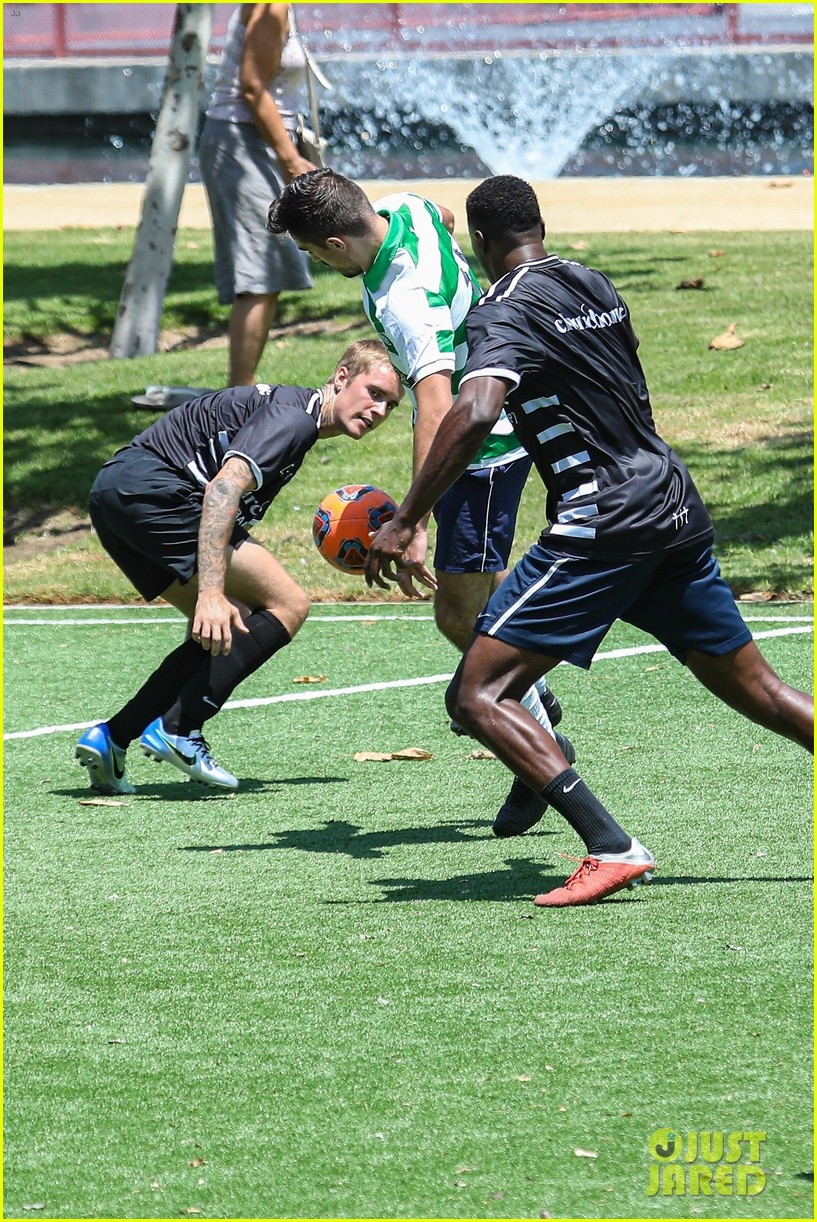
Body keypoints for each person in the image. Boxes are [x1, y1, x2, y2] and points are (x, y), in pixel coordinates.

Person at [364, 174, 814, 908]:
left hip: (602, 520)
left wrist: (409, 513)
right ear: (536, 225)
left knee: (476, 695)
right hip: (671, 502)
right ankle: (598, 835)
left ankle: (611, 847)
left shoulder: (497, 310)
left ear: (479, 242)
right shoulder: (593, 282)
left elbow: (475, 409)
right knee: (761, 690)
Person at [266, 168, 570, 832]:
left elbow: (435, 403)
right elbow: (443, 214)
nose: (318, 264)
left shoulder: (405, 302)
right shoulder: (404, 208)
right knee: (477, 606)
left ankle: (542, 748)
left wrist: (412, 520)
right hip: (487, 429)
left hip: (481, 451)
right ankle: (536, 703)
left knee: (460, 617)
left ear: (339, 243)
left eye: (316, 253)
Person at [75, 340, 402, 794]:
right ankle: (181, 726)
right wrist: (209, 592)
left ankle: (113, 736)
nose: (380, 409)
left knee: (232, 624)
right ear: (341, 377)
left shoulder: (290, 411)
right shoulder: (295, 420)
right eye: (374, 392)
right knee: (288, 604)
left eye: (391, 403)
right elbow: (223, 490)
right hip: (157, 494)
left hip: (112, 493)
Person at [198, 4, 318, 387]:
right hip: (242, 143)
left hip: (255, 141)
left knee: (268, 271)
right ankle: (239, 397)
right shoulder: (271, 7)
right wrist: (290, 158)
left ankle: (240, 390)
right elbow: (251, 86)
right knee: (260, 274)